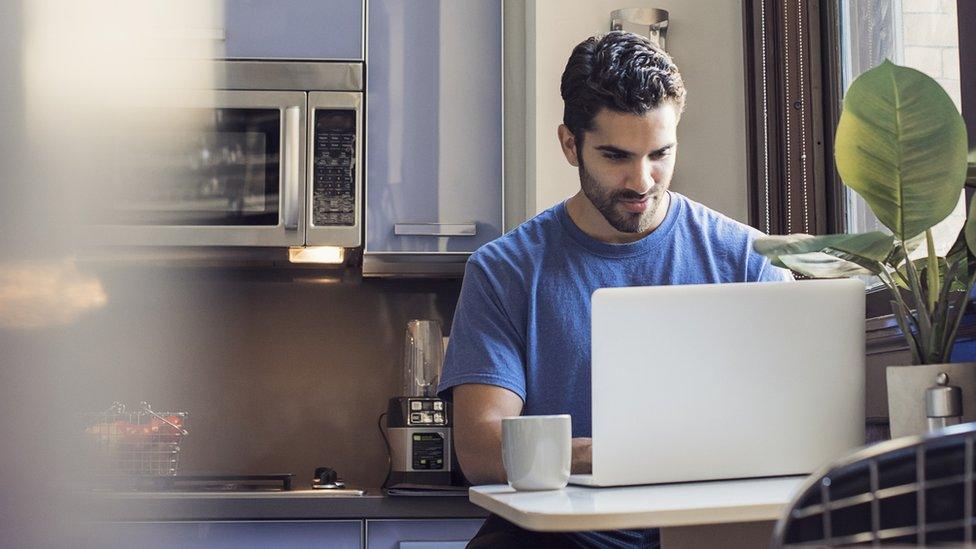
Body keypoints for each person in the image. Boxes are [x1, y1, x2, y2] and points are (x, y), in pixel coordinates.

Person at [437, 31, 793, 548]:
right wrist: (602, 455)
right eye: (615, 156)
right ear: (569, 144)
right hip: (558, 537)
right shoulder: (503, 270)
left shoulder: (750, 259)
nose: (642, 180)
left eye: (660, 154)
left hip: (708, 529)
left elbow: (788, 426)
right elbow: (481, 450)